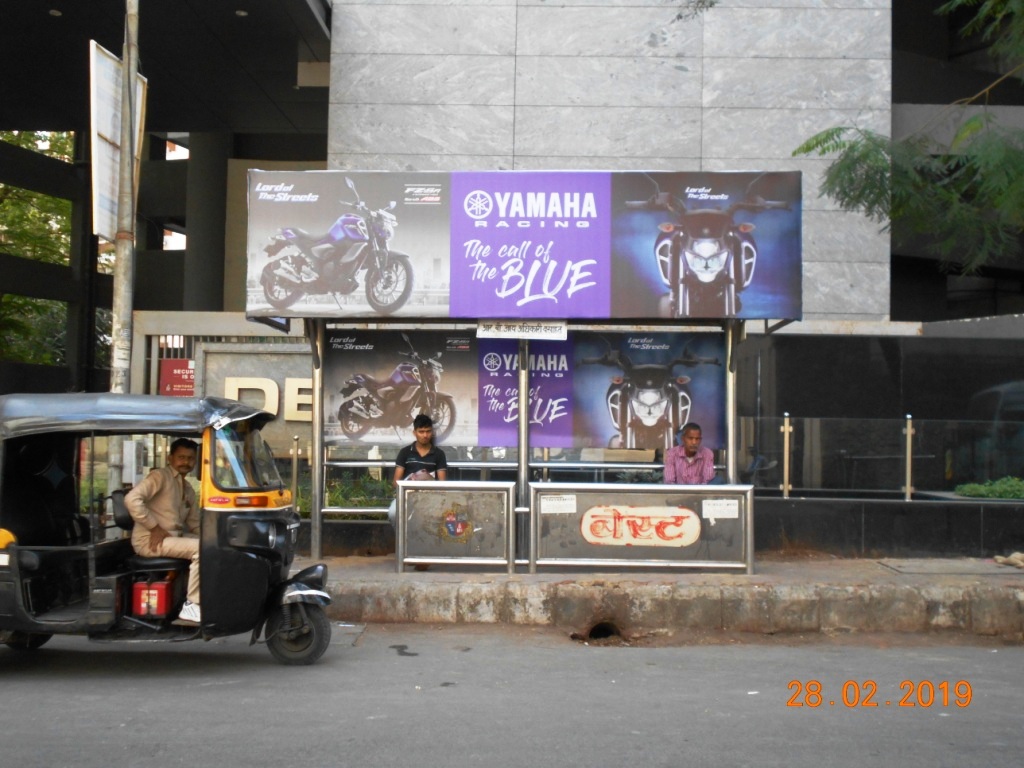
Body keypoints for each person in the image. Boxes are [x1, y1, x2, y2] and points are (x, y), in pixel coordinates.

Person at [125, 437, 202, 624]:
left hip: (171, 538)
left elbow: (194, 524)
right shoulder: (160, 476)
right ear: (170, 458)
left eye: (190, 458)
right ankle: (193, 604)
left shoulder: (188, 488)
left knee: (210, 544)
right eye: (181, 457)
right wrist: (154, 527)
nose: (186, 462)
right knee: (201, 549)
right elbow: (131, 499)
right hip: (150, 541)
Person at [389, 413, 447, 526]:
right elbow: (395, 482)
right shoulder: (405, 452)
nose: (425, 435)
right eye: (421, 431)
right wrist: (410, 483)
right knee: (393, 513)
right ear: (414, 433)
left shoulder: (439, 454)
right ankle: (402, 543)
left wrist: (428, 481)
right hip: (407, 496)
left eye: (428, 431)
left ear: (432, 432)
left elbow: (443, 484)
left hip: (430, 497)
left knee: (437, 517)